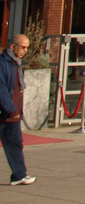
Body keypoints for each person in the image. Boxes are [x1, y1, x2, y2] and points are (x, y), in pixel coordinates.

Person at [0, 31, 33, 185]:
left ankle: (19, 175)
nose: (25, 51)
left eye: (27, 48)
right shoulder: (3, 63)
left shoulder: (15, 63)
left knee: (15, 143)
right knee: (14, 142)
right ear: (12, 47)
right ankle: (19, 175)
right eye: (22, 48)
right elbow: (1, 90)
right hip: (6, 112)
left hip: (13, 113)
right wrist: (11, 109)